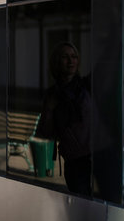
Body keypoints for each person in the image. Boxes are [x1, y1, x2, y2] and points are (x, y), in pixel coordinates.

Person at [36, 42, 91, 196]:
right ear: (56, 62)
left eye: (74, 57)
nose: (70, 61)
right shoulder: (52, 94)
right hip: (73, 161)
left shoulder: (86, 87)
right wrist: (50, 110)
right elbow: (46, 132)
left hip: (94, 157)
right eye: (65, 57)